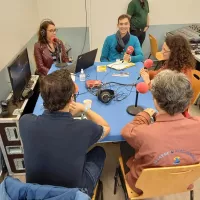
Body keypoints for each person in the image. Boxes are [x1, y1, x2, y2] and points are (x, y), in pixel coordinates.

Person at [19, 69, 110, 198]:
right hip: (72, 194)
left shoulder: (25, 122)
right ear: (71, 97)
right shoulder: (85, 128)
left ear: (43, 97)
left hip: (37, 193)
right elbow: (106, 127)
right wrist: (85, 109)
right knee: (99, 151)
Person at [121, 70, 200, 194]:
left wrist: (145, 114)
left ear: (156, 101)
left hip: (142, 186)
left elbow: (127, 131)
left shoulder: (145, 134)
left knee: (124, 145)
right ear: (186, 102)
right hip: (182, 183)